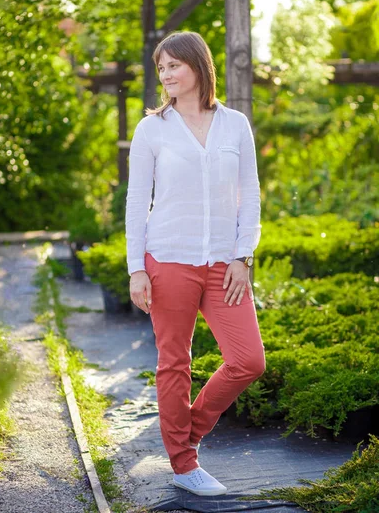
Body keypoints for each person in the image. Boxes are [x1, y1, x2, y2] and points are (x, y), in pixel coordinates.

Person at [125, 31, 265, 497]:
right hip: (168, 259)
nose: (164, 75)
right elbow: (134, 201)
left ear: (197, 67)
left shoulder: (235, 124)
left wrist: (244, 256)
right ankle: (184, 465)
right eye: (160, 67)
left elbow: (251, 195)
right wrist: (136, 268)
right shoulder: (152, 130)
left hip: (225, 264)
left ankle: (189, 432)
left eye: (173, 66)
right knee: (174, 363)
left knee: (248, 361)